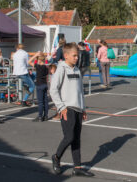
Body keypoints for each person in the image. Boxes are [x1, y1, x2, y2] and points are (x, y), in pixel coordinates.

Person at [50, 43, 94, 177]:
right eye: (74, 56)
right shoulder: (61, 69)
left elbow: (80, 92)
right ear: (66, 55)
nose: (76, 58)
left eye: (77, 55)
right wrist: (61, 107)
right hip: (67, 109)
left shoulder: (77, 71)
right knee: (69, 137)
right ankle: (56, 158)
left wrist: (83, 108)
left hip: (78, 109)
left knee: (76, 139)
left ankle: (77, 167)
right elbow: (53, 89)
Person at [29, 52, 49, 122]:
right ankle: (46, 116)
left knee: (40, 102)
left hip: (39, 84)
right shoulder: (46, 67)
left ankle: (40, 116)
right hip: (45, 84)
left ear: (39, 60)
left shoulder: (38, 66)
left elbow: (29, 61)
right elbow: (47, 76)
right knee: (45, 101)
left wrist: (35, 55)